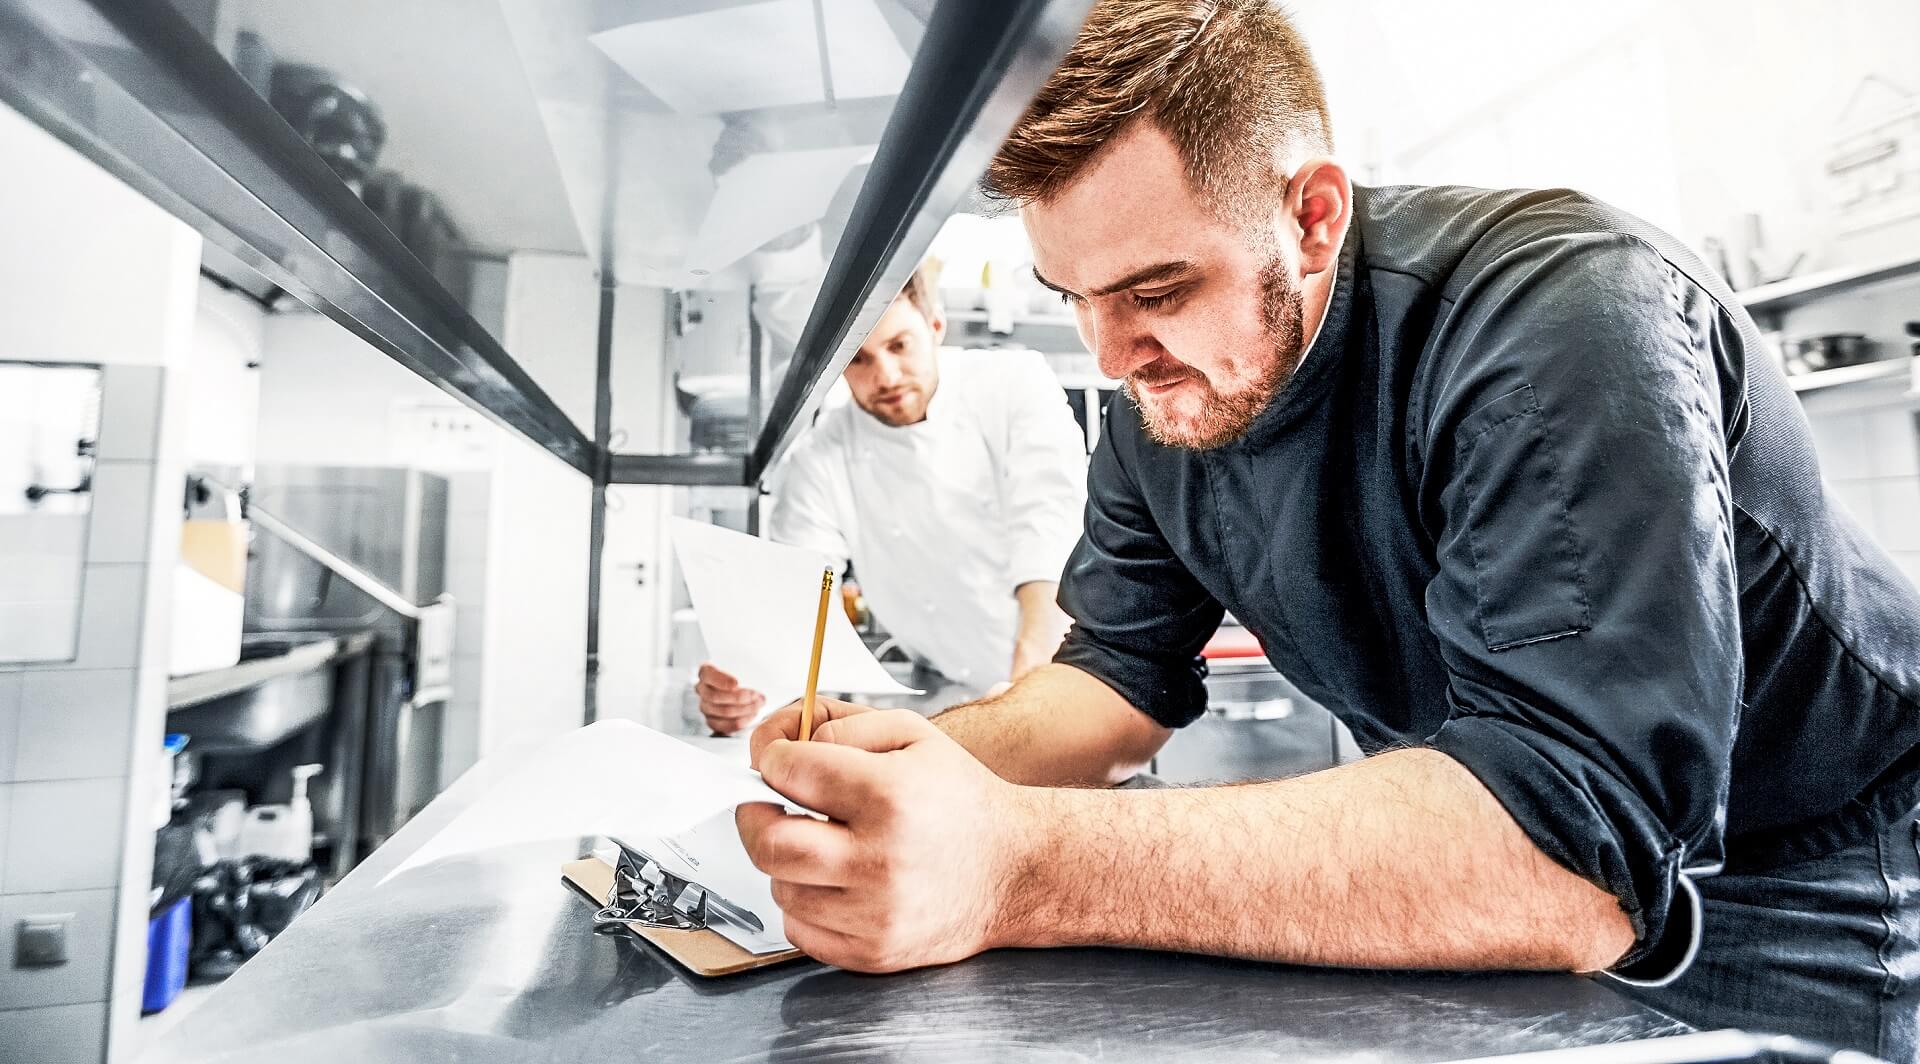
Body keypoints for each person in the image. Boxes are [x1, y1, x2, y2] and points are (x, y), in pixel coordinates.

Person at [732, 2, 1920, 1058]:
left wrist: (1012, 859)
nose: (1111, 357)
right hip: (1491, 844)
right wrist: (899, 774)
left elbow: (1572, 847)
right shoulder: (1160, 401)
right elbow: (1111, 676)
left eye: (1156, 292)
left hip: (1804, 862)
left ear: (1312, 216)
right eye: (1074, 302)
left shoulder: (1560, 311)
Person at [695, 264, 1088, 734]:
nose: (885, 375)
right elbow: (797, 600)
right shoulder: (821, 456)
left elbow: (1046, 536)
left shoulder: (1012, 383)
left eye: (899, 345)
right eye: (858, 359)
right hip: (951, 695)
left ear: (935, 326)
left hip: (1069, 678)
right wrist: (747, 690)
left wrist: (1029, 692)